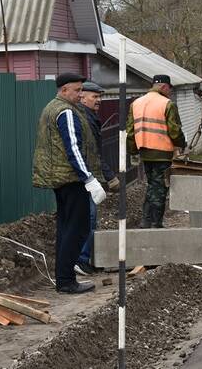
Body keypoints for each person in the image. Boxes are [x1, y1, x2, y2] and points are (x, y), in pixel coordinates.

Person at [32, 73, 106, 294]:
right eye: (76, 90)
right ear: (64, 90)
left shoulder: (52, 107)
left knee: (66, 227)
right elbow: (72, 147)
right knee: (77, 228)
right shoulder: (66, 112)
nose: (80, 94)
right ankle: (66, 280)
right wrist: (89, 179)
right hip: (71, 179)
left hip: (60, 178)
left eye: (81, 89)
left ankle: (64, 278)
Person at [126, 75, 186, 228]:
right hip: (162, 153)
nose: (170, 92)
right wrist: (181, 144)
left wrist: (133, 151)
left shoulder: (136, 104)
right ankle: (155, 223)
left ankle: (146, 221)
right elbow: (174, 130)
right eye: (169, 89)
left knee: (152, 185)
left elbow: (130, 131)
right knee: (160, 188)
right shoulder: (167, 104)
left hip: (145, 153)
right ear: (164, 87)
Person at [74, 81, 119, 276]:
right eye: (95, 96)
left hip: (87, 175)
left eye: (100, 96)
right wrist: (108, 176)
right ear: (82, 97)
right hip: (85, 177)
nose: (99, 100)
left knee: (88, 218)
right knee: (87, 218)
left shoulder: (89, 116)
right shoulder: (83, 118)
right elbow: (91, 153)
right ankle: (80, 260)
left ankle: (84, 259)